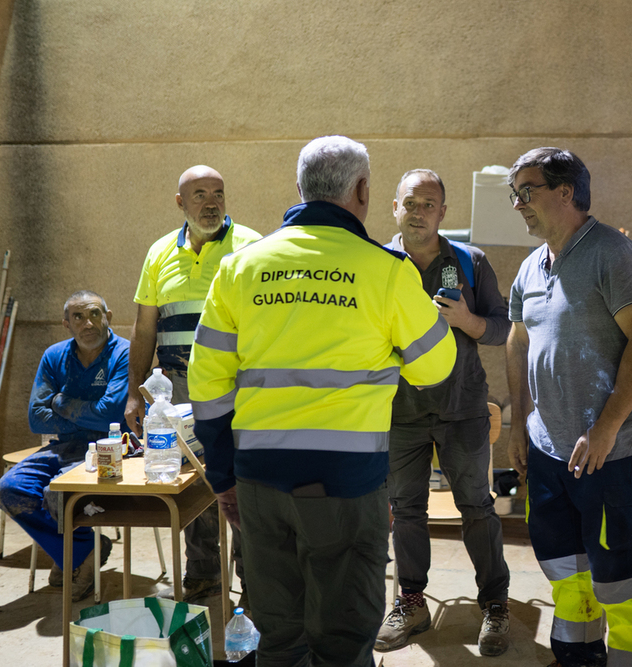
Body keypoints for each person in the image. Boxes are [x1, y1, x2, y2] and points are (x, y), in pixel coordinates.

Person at [189, 136, 457, 667]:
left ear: (299, 189)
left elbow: (207, 385)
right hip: (347, 484)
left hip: (259, 481)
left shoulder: (242, 267)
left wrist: (223, 479)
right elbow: (435, 367)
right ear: (361, 190)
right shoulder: (387, 270)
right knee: (343, 636)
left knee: (278, 635)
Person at [506, 148, 632, 667]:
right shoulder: (531, 265)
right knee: (565, 575)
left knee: (617, 579)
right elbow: (517, 342)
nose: (517, 204)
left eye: (526, 192)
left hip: (610, 453)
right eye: (515, 195)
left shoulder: (614, 254)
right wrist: (519, 424)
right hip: (549, 451)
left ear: (565, 191)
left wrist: (607, 427)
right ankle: (576, 659)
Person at [376, 169, 511, 656]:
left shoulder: (470, 261)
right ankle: (412, 601)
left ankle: (495, 603)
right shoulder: (378, 263)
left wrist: (466, 321)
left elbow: (500, 328)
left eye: (429, 204)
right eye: (410, 202)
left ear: (443, 212)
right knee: (406, 511)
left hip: (463, 409)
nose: (419, 211)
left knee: (476, 506)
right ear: (395, 208)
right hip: (400, 411)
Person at [126, 165, 261, 604]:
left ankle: (254, 583)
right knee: (194, 483)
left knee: (244, 482)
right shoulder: (159, 252)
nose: (212, 201)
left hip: (238, 388)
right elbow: (145, 329)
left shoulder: (253, 246)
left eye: (218, 192)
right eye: (200, 193)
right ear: (180, 203)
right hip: (179, 391)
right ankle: (203, 575)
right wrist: (133, 392)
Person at [0, 291, 128, 601]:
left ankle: (71, 557)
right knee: (9, 489)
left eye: (95, 314)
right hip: (63, 446)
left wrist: (60, 402)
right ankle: (82, 551)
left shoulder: (123, 353)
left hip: (109, 448)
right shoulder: (55, 356)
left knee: (57, 493)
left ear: (108, 316)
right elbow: (36, 420)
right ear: (65, 323)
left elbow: (111, 414)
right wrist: (86, 417)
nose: (88, 323)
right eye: (78, 317)